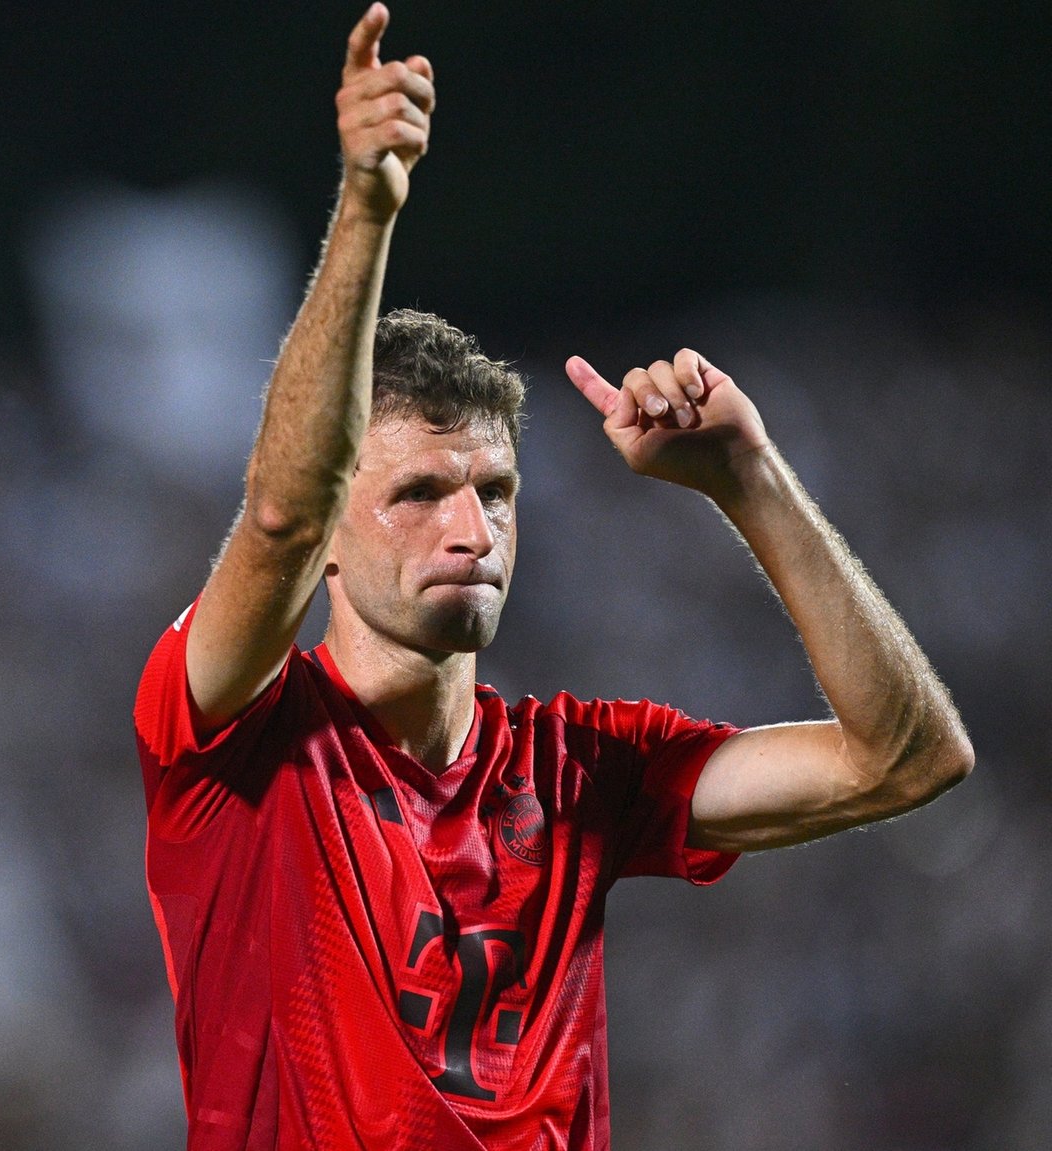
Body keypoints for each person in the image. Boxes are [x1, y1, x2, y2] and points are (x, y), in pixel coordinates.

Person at [131, 6, 974, 1149]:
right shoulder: (234, 736)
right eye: (419, 491)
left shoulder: (581, 768)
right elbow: (277, 513)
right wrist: (367, 212)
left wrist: (749, 477)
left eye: (494, 490)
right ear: (333, 532)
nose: (470, 528)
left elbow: (906, 756)